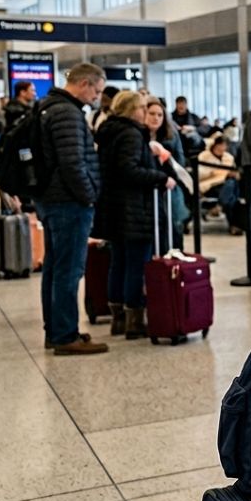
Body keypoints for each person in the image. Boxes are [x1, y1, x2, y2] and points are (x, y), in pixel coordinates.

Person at [37, 63, 107, 355]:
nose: (97, 98)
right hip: (69, 202)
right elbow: (72, 163)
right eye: (97, 91)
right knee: (68, 270)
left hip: (52, 200)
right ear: (85, 84)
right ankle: (65, 336)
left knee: (54, 267)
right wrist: (88, 194)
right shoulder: (67, 112)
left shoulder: (49, 106)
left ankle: (55, 330)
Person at [94, 91, 176, 339]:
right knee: (136, 264)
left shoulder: (110, 132)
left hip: (114, 207)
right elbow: (129, 169)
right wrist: (161, 177)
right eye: (141, 107)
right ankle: (134, 320)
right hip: (134, 208)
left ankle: (117, 317)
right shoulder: (130, 133)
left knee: (118, 262)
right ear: (131, 110)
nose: (145, 111)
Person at [145, 97, 189, 252]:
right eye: (152, 113)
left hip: (170, 188)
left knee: (175, 226)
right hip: (147, 189)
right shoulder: (138, 135)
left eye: (160, 115)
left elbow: (179, 162)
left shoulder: (172, 135)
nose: (156, 118)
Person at [197, 134, 239, 224]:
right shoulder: (204, 156)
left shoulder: (229, 157)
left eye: (225, 146)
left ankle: (219, 206)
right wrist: (214, 171)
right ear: (215, 144)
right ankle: (234, 224)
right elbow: (199, 173)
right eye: (220, 145)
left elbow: (234, 170)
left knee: (233, 185)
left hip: (225, 184)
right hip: (209, 185)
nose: (222, 148)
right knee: (233, 194)